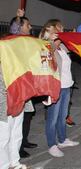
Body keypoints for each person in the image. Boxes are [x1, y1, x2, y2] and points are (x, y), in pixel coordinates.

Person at [39, 20, 79, 158]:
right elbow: (45, 49)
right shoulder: (48, 46)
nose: (61, 30)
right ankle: (52, 144)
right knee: (53, 118)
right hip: (55, 87)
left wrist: (72, 38)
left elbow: (73, 48)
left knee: (63, 116)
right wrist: (53, 40)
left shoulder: (61, 47)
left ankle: (62, 140)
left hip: (67, 85)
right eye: (58, 28)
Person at [9, 14, 37, 159]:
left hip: (26, 85)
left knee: (27, 116)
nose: (30, 27)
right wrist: (19, 18)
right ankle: (16, 149)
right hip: (17, 86)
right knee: (16, 120)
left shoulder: (28, 41)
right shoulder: (14, 40)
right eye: (27, 25)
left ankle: (23, 141)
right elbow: (14, 29)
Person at [0, 24, 28, 169]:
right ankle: (3, 165)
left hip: (19, 102)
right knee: (3, 137)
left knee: (16, 134)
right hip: (4, 105)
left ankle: (14, 162)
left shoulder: (19, 60)